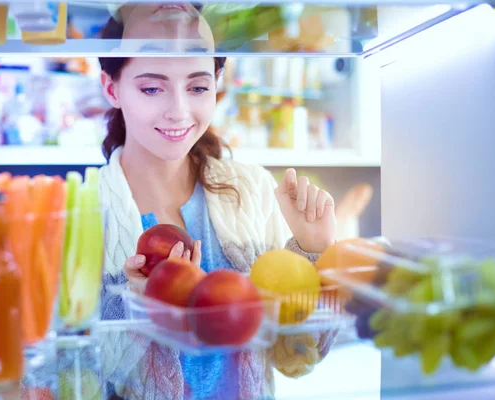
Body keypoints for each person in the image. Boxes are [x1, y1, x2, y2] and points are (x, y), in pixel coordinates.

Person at [97, 4, 337, 399]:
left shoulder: (253, 189)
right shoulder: (83, 210)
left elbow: (296, 356)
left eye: (197, 87)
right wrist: (134, 310)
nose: (178, 112)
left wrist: (314, 253)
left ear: (217, 83)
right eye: (152, 88)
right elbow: (69, 377)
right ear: (112, 88)